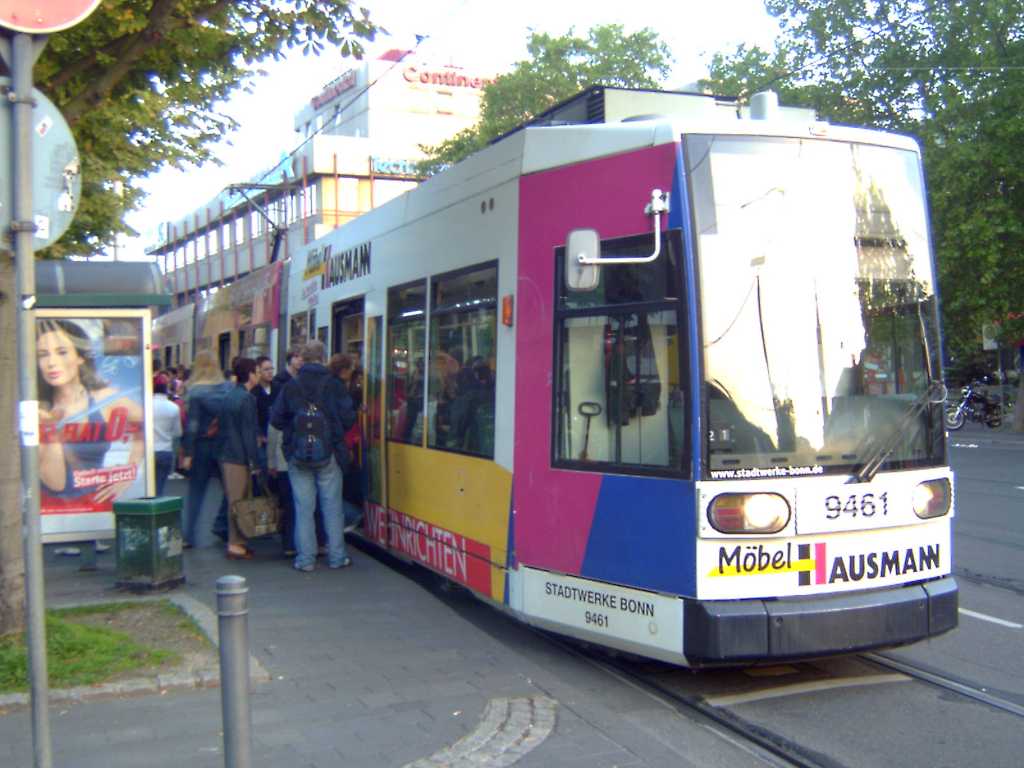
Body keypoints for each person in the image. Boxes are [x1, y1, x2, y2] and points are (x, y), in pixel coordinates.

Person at [36, 318, 144, 506]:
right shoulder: (37, 410)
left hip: (95, 506)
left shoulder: (105, 399)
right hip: (48, 511)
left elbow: (144, 425)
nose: (52, 363)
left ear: (80, 357)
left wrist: (129, 472)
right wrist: (49, 432)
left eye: (61, 352)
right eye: (43, 355)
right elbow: (55, 482)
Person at [271, 340, 355, 572]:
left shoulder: (291, 385)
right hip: (329, 453)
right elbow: (348, 417)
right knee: (332, 506)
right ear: (323, 357)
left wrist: (293, 432)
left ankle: (305, 560)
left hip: (298, 455)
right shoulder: (334, 384)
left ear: (304, 359)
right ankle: (337, 557)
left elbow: (276, 419)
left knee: (303, 508)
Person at [179, 351, 230, 548]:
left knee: (196, 492)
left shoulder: (195, 392)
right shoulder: (228, 388)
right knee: (229, 490)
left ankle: (189, 535)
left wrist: (188, 453)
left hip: (201, 446)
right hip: (224, 445)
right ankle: (225, 527)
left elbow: (192, 425)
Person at [218, 357, 266, 560]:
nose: (259, 375)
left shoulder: (230, 395)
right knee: (238, 502)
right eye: (257, 371)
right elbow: (248, 434)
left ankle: (237, 542)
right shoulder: (246, 399)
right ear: (251, 375)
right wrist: (255, 462)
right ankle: (235, 544)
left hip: (228, 454)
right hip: (238, 458)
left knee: (234, 500)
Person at [152, 374, 183, 495]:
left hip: (148, 451)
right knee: (159, 487)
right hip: (165, 450)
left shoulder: (145, 406)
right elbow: (178, 432)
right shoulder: (174, 407)